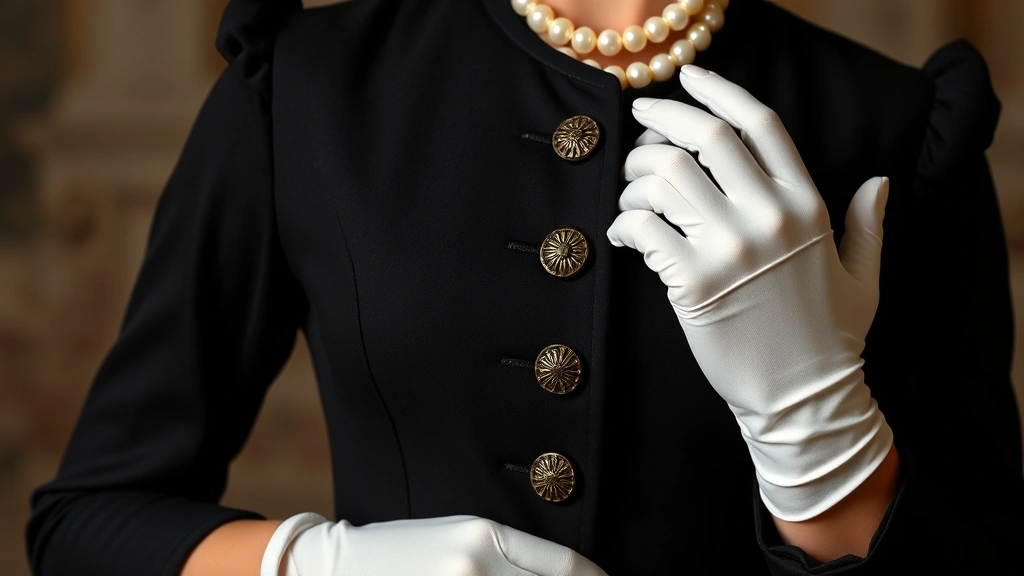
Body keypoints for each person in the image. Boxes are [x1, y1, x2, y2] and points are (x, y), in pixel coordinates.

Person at [25, 0, 1024, 574]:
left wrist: (818, 438)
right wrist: (320, 564)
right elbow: (85, 526)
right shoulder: (310, 87)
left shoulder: (894, 127)